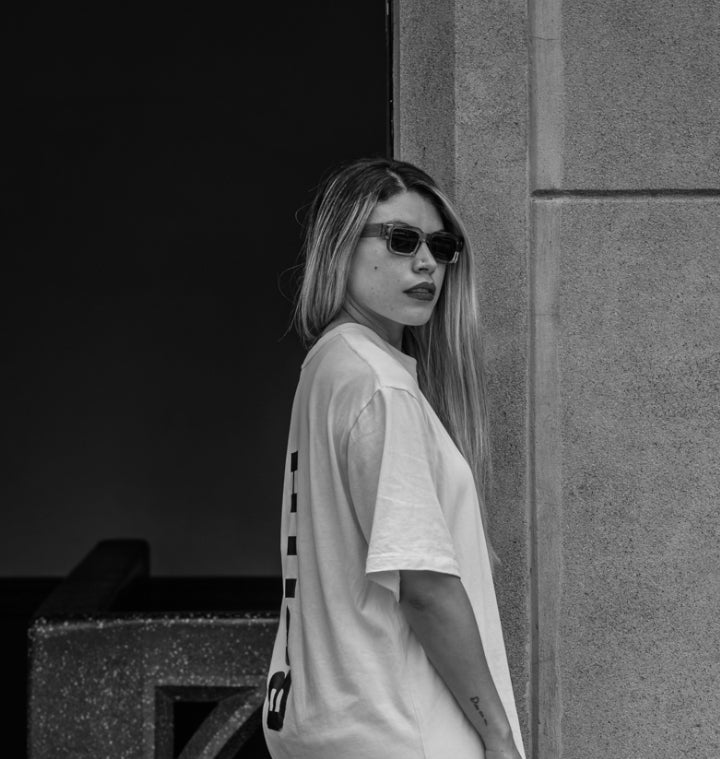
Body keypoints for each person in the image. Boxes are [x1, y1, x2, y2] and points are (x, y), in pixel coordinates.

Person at [262, 157, 525, 759]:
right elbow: (425, 587)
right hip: (400, 730)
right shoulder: (380, 385)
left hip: (331, 724)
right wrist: (498, 735)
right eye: (402, 240)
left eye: (441, 246)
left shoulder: (330, 367)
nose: (427, 262)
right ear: (340, 247)